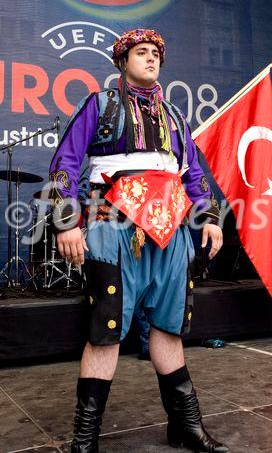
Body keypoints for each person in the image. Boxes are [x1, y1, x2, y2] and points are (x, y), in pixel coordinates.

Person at [49, 28, 229, 453]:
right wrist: (66, 222)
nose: (151, 59)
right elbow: (66, 164)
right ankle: (84, 440)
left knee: (168, 329)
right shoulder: (100, 106)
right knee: (105, 331)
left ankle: (185, 426)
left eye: (155, 54)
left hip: (170, 238)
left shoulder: (177, 119)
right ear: (122, 61)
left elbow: (195, 179)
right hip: (113, 231)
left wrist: (210, 220)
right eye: (141, 52)